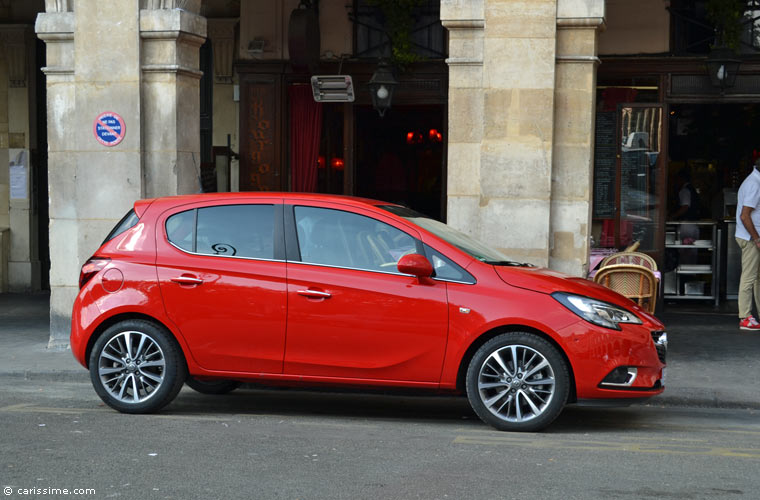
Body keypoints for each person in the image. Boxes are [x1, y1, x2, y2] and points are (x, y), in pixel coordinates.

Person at [735, 160, 760, 330]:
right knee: (749, 277)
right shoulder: (754, 184)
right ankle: (745, 316)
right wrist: (756, 238)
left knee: (757, 278)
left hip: (751, 237)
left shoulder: (753, 181)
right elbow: (745, 216)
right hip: (751, 239)